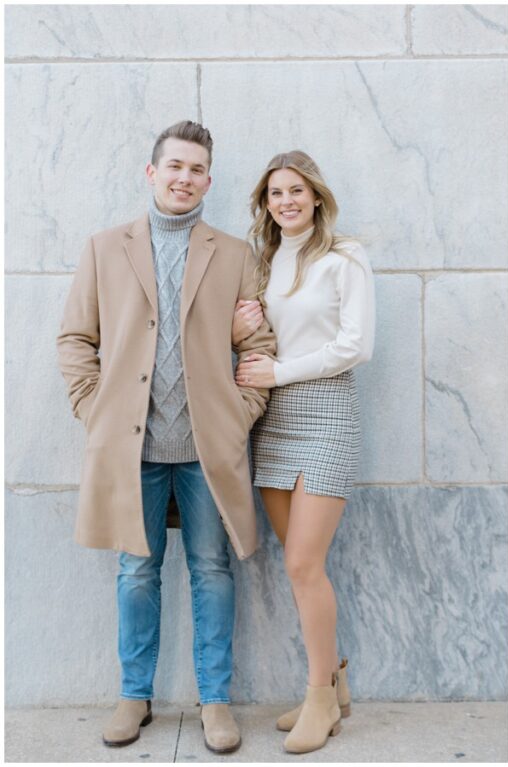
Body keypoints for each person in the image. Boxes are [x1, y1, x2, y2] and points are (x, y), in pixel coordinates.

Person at [56, 120, 276, 753]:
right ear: (152, 173)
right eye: (174, 166)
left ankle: (215, 702)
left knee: (212, 570)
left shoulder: (235, 255)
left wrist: (241, 413)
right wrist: (93, 408)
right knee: (136, 571)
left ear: (210, 179)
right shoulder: (104, 248)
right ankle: (134, 695)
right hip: (133, 451)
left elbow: (257, 344)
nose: (185, 178)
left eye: (197, 169)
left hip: (209, 450)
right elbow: (75, 339)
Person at [231, 150, 375, 754]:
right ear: (266, 205)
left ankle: (321, 699)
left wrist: (281, 371)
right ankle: (333, 681)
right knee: (296, 565)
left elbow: (356, 346)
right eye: (274, 194)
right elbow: (256, 337)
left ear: (316, 195)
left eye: (295, 190)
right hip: (274, 420)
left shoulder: (346, 256)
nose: (285, 201)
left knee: (302, 564)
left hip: (326, 413)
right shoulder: (263, 262)